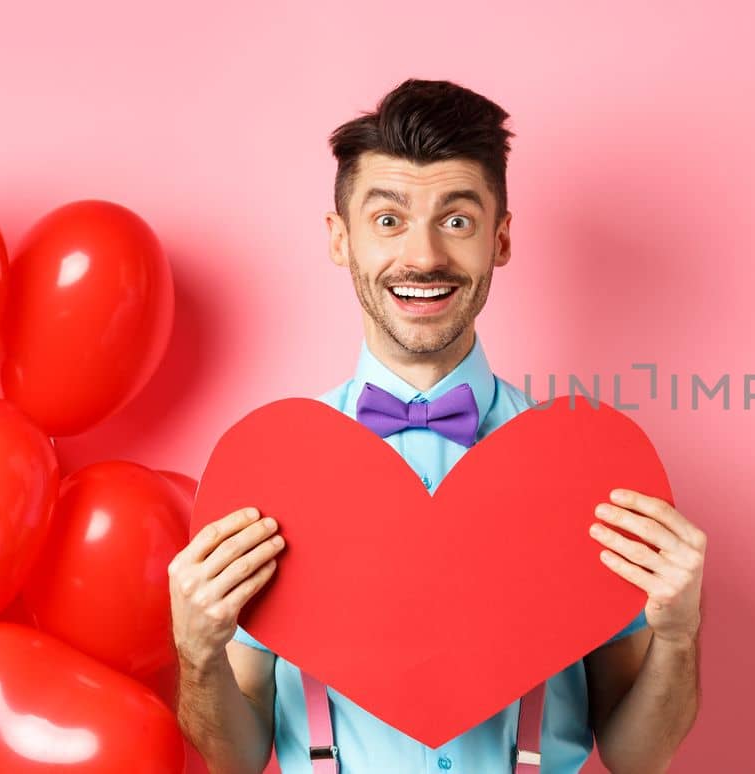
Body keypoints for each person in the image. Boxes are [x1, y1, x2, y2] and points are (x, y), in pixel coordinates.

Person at [167, 79, 705, 774]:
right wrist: (196, 653)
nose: (422, 258)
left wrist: (680, 635)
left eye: (457, 221)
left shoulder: (588, 469)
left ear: (500, 239)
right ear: (340, 240)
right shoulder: (270, 468)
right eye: (388, 220)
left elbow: (639, 757)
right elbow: (235, 758)